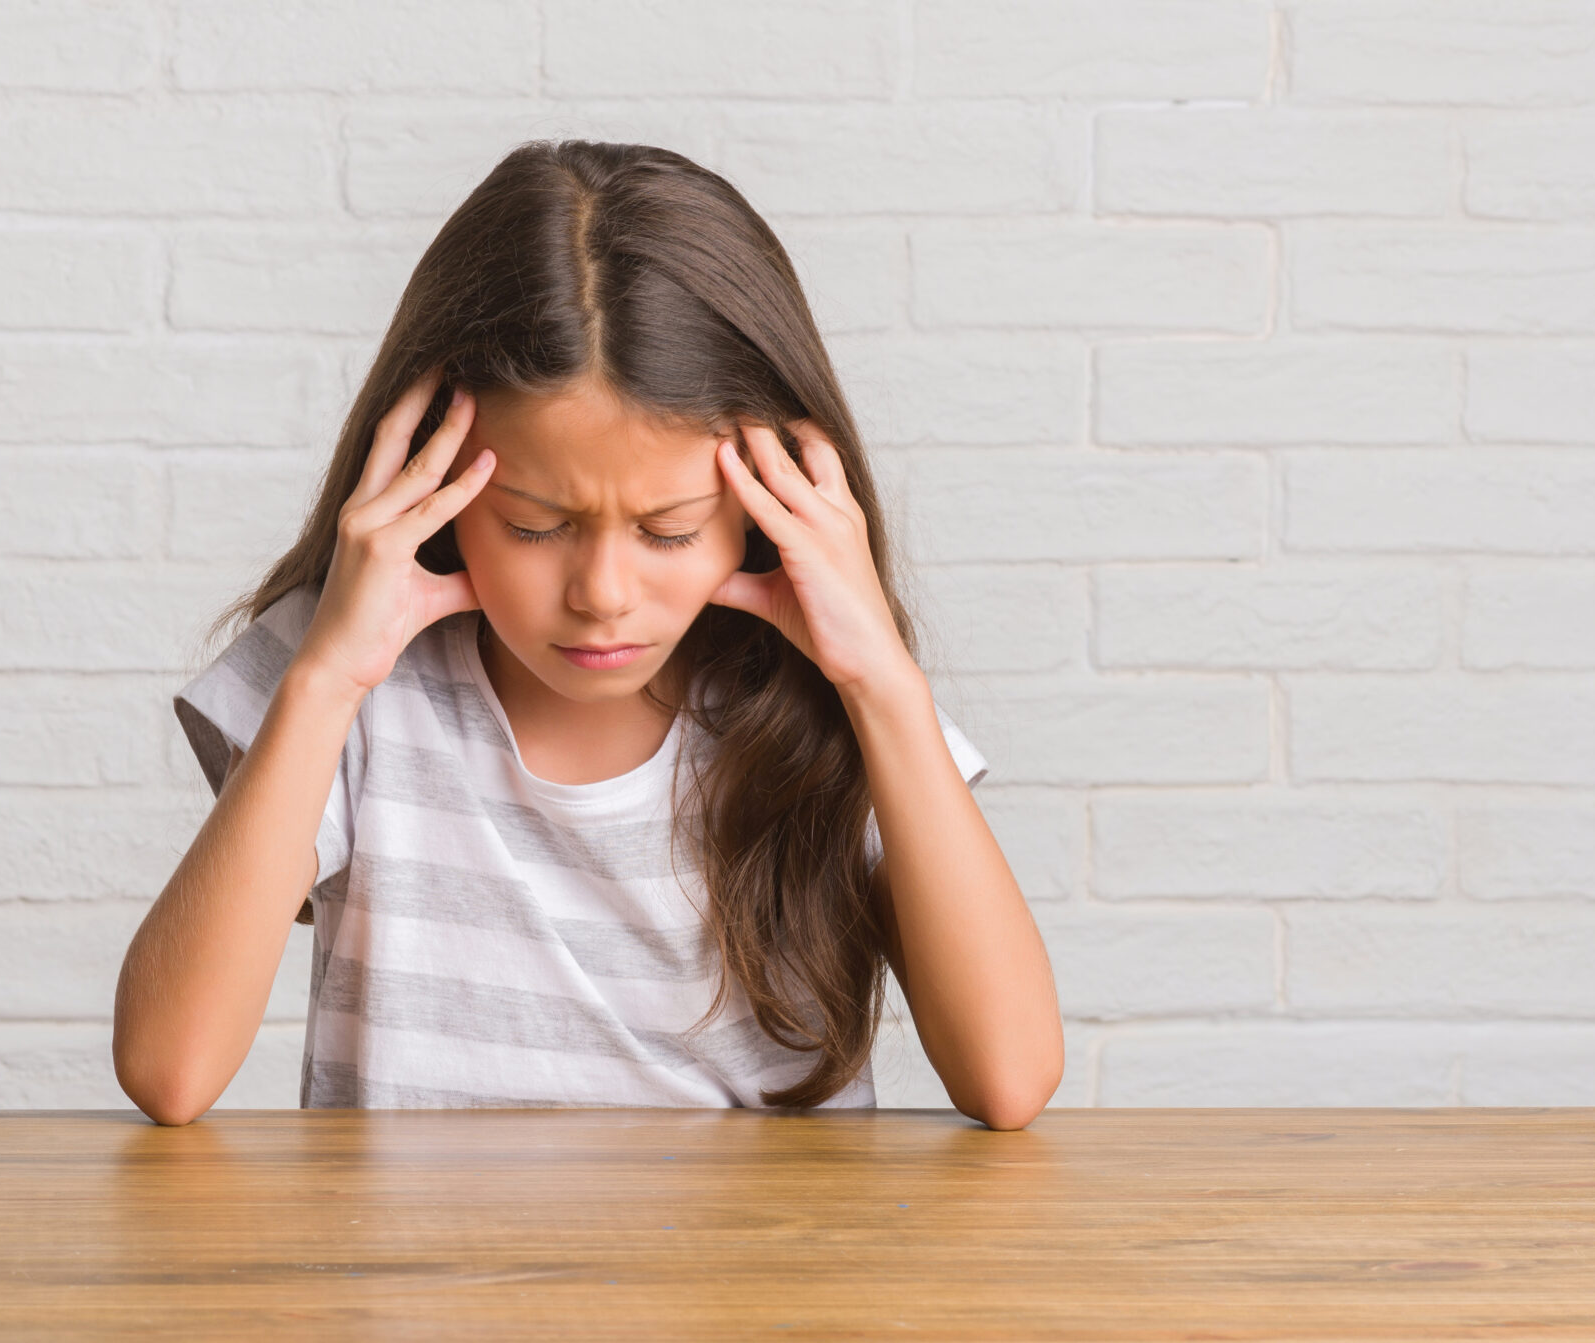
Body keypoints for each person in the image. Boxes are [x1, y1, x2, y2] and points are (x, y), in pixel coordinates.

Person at [111, 140, 1063, 1131]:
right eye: (535, 525)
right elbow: (168, 1073)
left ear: (772, 499)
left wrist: (880, 684)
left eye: (670, 530)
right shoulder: (341, 670)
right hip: (420, 1284)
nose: (604, 594)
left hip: (756, 1283)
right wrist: (323, 682)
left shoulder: (836, 699)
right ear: (432, 486)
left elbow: (1009, 1079)